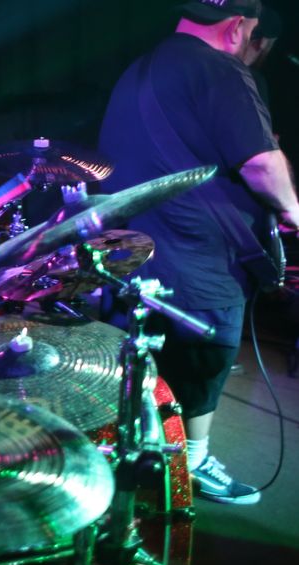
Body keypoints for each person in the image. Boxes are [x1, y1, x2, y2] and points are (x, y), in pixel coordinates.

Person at [98, 0, 299, 505]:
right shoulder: (220, 69)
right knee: (205, 361)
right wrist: (294, 210)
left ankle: (144, 455)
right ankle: (193, 461)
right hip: (198, 257)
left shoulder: (140, 69)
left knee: (146, 361)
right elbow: (261, 165)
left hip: (135, 250)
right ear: (238, 26)